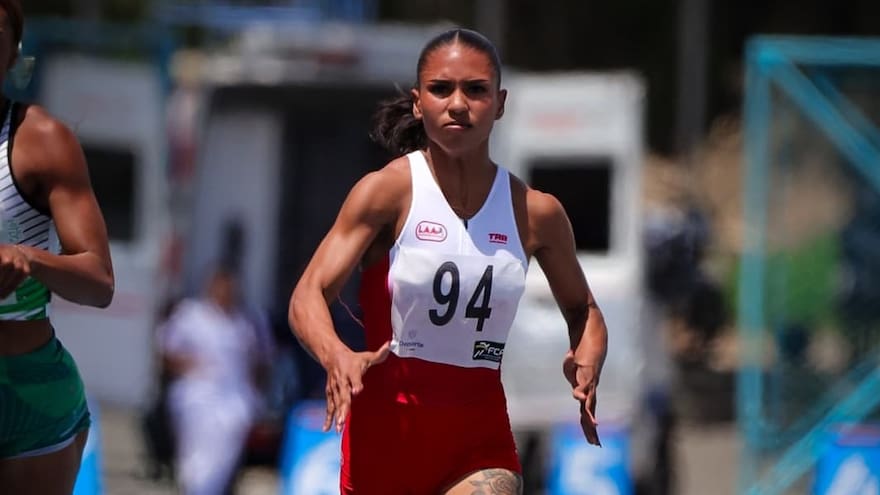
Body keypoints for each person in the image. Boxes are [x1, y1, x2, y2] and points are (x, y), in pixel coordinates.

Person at [288, 28, 608, 494]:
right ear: (419, 103)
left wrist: (588, 354)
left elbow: (583, 308)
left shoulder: (536, 213)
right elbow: (308, 293)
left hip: (479, 443)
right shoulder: (386, 193)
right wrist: (335, 354)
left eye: (475, 90)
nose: (458, 103)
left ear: (499, 103)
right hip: (385, 444)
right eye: (441, 89)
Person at [0, 1, 116, 494]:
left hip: (31, 395)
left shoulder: (41, 140)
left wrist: (30, 259)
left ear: (12, 49)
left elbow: (99, 282)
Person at [158, 265, 272, 495]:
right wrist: (190, 365)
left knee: (224, 457)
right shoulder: (190, 314)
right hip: (197, 395)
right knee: (194, 456)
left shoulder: (247, 320)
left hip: (233, 400)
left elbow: (262, 360)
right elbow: (166, 352)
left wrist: (255, 388)